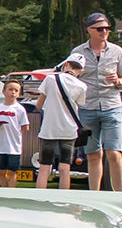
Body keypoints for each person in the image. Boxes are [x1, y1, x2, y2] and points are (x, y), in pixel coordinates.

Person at [70, 12, 122, 191]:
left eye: (106, 28)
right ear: (90, 30)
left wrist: (118, 81)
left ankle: (120, 197)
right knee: (93, 154)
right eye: (99, 29)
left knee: (114, 152)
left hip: (111, 106)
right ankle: (94, 198)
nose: (104, 32)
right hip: (87, 108)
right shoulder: (77, 52)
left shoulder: (117, 51)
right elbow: (70, 78)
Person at [35, 55, 88, 190]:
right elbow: (79, 104)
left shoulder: (51, 79)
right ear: (81, 70)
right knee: (65, 167)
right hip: (69, 130)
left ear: (67, 64)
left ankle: (39, 199)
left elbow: (39, 105)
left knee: (44, 167)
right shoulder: (82, 86)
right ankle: (64, 200)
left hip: (49, 129)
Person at [0, 78, 30, 188]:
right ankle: (3, 191)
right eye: (11, 90)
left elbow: (25, 127)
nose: (13, 93)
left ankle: (11, 192)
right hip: (0, 145)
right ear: (4, 91)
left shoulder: (20, 109)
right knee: (1, 172)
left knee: (12, 172)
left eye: (16, 91)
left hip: (14, 146)